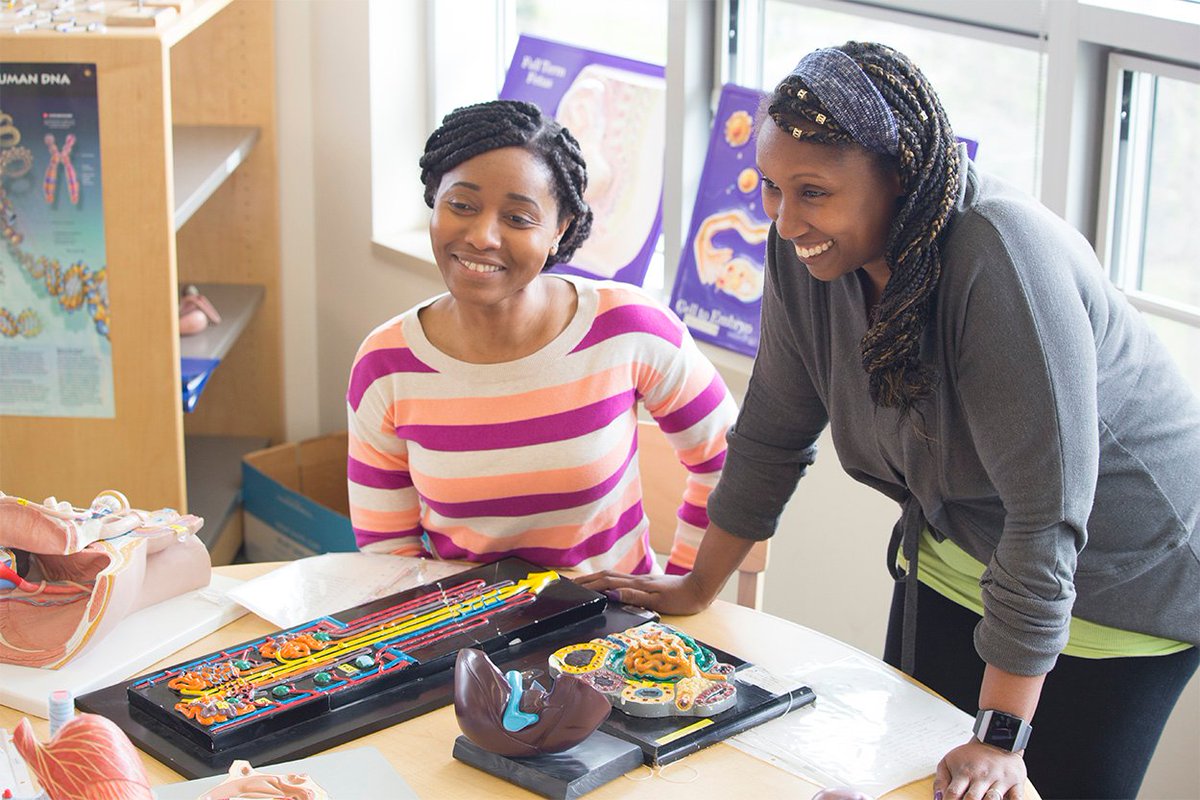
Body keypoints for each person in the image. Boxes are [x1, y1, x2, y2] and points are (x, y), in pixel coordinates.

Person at [579, 42, 1200, 800]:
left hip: (1118, 572)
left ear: (898, 176)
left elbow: (1046, 517)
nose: (784, 221)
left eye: (813, 191)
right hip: (958, 540)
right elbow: (773, 430)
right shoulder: (808, 257)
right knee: (912, 781)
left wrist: (1000, 739)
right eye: (772, 189)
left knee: (1015, 783)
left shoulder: (1001, 260)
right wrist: (694, 585)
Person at [346, 99, 736, 578]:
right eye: (461, 206)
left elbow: (730, 461)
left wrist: (684, 588)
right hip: (467, 636)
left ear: (560, 230)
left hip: (617, 638)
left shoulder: (628, 326)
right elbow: (387, 553)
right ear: (434, 201)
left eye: (518, 218)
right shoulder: (385, 365)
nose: (483, 236)